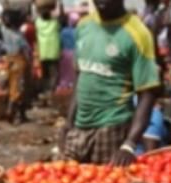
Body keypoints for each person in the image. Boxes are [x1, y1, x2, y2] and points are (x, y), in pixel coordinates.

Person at [61, 0, 160, 165]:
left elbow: (147, 93)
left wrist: (129, 143)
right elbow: (81, 78)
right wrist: (68, 123)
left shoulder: (138, 33)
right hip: (79, 128)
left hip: (112, 129)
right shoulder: (84, 26)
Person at [1, 10, 31, 123]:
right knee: (19, 89)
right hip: (19, 61)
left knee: (12, 87)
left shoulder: (4, 32)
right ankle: (11, 111)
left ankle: (20, 114)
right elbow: (26, 49)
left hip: (8, 60)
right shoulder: (18, 35)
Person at [35, 5, 60, 101]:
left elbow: (37, 17)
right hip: (53, 52)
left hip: (43, 52)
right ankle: (51, 92)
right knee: (54, 74)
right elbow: (60, 17)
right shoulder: (54, 23)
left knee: (45, 74)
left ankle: (45, 91)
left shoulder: (38, 23)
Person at [58, 12, 77, 89]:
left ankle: (64, 83)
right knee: (73, 70)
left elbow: (60, 42)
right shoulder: (77, 31)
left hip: (65, 52)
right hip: (75, 52)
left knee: (64, 70)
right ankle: (72, 83)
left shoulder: (63, 31)